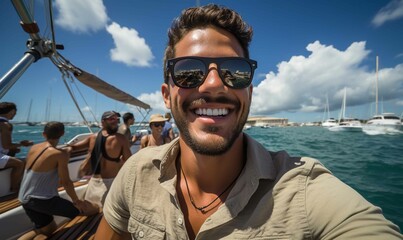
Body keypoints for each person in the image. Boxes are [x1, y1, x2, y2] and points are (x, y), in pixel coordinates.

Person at [95, 4, 402, 240]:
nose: (214, 85)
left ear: (248, 92)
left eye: (235, 72)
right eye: (188, 71)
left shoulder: (304, 193)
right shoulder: (135, 173)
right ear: (166, 94)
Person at [18, 122, 98, 239]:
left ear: (44, 134)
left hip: (23, 197)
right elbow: (66, 182)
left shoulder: (34, 148)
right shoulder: (60, 154)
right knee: (93, 209)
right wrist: (77, 201)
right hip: (42, 200)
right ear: (62, 134)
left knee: (48, 229)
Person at [71, 111, 132, 207]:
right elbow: (129, 162)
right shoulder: (121, 139)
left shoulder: (92, 138)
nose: (115, 121)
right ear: (103, 122)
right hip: (111, 185)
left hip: (94, 186)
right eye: (112, 119)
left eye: (117, 119)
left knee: (94, 212)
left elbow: (72, 148)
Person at [0, 102, 33, 192]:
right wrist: (23, 144)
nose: (15, 114)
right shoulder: (5, 125)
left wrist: (13, 148)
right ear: (11, 111)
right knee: (20, 164)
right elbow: (6, 145)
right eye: (15, 112)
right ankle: (14, 188)